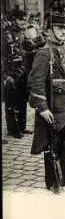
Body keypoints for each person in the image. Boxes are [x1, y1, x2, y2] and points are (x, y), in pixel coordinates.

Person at [27, 10, 65, 192]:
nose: (64, 31)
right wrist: (42, 107)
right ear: (49, 30)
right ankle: (52, 182)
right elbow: (36, 82)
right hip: (54, 106)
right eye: (59, 28)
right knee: (52, 143)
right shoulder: (44, 53)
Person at [3, 8, 32, 138]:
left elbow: (26, 50)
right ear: (14, 19)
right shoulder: (6, 34)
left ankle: (22, 126)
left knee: (22, 100)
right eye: (20, 19)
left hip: (22, 71)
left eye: (24, 19)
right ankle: (13, 130)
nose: (23, 22)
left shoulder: (22, 33)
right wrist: (6, 75)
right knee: (12, 102)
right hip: (11, 72)